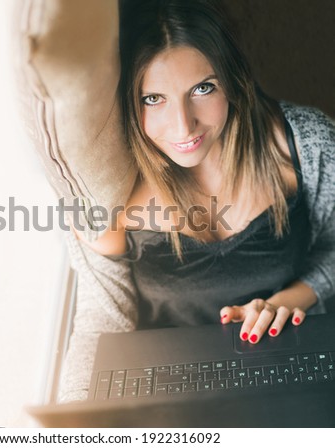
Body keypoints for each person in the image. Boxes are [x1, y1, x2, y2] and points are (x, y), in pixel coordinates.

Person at [59, 0, 335, 403]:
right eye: (153, 98)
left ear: (232, 79)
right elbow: (101, 320)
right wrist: (76, 420)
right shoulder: (104, 195)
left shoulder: (306, 145)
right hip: (170, 389)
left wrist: (290, 299)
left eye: (202, 88)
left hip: (290, 365)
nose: (183, 125)